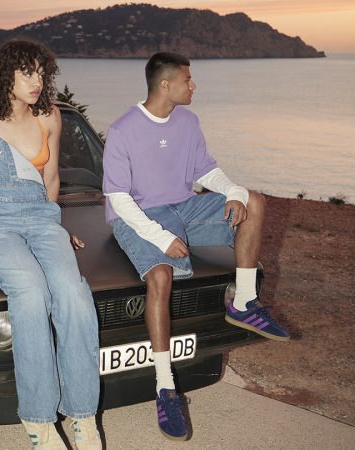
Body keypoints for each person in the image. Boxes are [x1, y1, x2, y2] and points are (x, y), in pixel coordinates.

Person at [102, 52, 290, 441]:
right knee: (160, 276)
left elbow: (205, 170)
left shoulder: (188, 122)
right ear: (165, 84)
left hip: (184, 207)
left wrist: (233, 192)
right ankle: (165, 387)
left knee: (254, 202)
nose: (194, 86)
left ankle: (244, 302)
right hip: (138, 215)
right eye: (188, 80)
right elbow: (119, 199)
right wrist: (161, 237)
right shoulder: (123, 129)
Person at [0, 39, 102, 450]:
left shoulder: (50, 117)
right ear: (6, 75)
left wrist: (56, 228)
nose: (38, 82)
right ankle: (38, 421)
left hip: (42, 219)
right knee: (31, 293)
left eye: (42, 74)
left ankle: (83, 415)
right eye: (27, 73)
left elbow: (50, 181)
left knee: (73, 294)